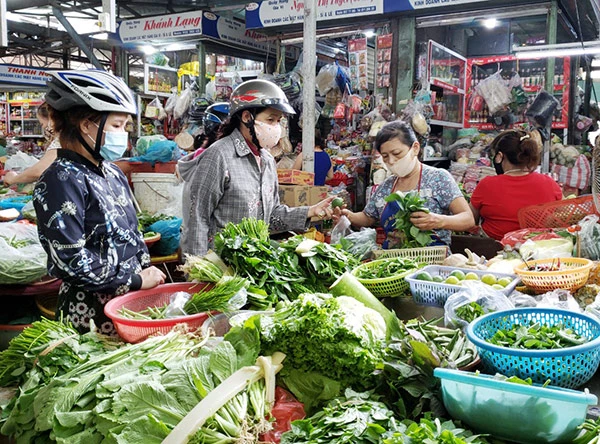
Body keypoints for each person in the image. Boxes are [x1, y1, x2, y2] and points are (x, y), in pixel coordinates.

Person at [32, 70, 166, 335]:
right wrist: (135, 280)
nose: (124, 135)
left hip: (129, 306)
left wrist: (144, 269)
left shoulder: (111, 172)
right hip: (90, 317)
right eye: (117, 125)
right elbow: (69, 259)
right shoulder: (60, 180)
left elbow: (131, 233)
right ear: (86, 124)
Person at [179, 79, 334, 256]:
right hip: (221, 264)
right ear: (247, 117)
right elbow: (197, 218)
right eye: (270, 119)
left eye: (278, 121)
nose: (276, 128)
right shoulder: (219, 155)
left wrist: (310, 211)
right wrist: (198, 268)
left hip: (253, 265)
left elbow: (272, 216)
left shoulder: (267, 160)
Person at [337, 120, 474, 249]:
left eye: (396, 153)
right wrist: (348, 215)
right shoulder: (386, 186)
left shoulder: (438, 178)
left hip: (432, 263)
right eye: (385, 156)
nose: (391, 161)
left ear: (415, 148)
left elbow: (468, 219)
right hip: (394, 262)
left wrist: (439, 220)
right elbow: (368, 217)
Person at [470, 129, 563, 241]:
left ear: (499, 156)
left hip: (494, 252)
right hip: (539, 251)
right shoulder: (549, 183)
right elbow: (560, 218)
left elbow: (470, 220)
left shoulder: (487, 184)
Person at [2, 103, 60, 186]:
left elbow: (39, 171)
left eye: (42, 124)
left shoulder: (62, 140)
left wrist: (13, 178)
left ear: (51, 119)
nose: (44, 128)